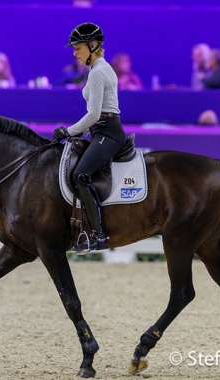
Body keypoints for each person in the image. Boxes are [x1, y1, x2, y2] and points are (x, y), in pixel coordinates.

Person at [52, 22, 126, 253]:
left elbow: (94, 114)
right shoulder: (96, 70)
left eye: (78, 48)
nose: (74, 53)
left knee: (81, 175)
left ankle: (98, 234)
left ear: (93, 45)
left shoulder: (98, 72)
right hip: (100, 131)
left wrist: (69, 131)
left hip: (108, 132)